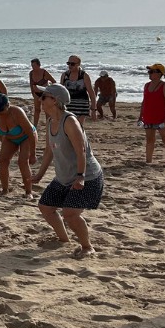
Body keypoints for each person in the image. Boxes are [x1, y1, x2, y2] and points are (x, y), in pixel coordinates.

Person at [33, 84, 103, 258]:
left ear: (54, 101)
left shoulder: (69, 121)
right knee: (46, 207)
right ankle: (64, 240)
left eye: (43, 97)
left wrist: (80, 177)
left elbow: (81, 151)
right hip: (64, 177)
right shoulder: (50, 121)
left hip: (87, 176)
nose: (40, 100)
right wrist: (40, 175)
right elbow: (49, 151)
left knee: (70, 214)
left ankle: (87, 247)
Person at [0, 93, 37, 197]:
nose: (0, 113)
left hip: (26, 137)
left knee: (22, 162)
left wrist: (33, 153)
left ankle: (29, 192)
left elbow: (30, 132)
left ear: (8, 105)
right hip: (10, 138)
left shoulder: (16, 112)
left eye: (1, 110)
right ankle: (5, 189)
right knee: (3, 161)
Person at [140, 63, 165, 166]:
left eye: (152, 71)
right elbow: (144, 102)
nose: (149, 73)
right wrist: (140, 116)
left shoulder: (164, 86)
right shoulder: (146, 85)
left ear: (159, 74)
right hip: (148, 117)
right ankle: (148, 161)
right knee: (150, 140)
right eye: (149, 71)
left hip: (161, 117)